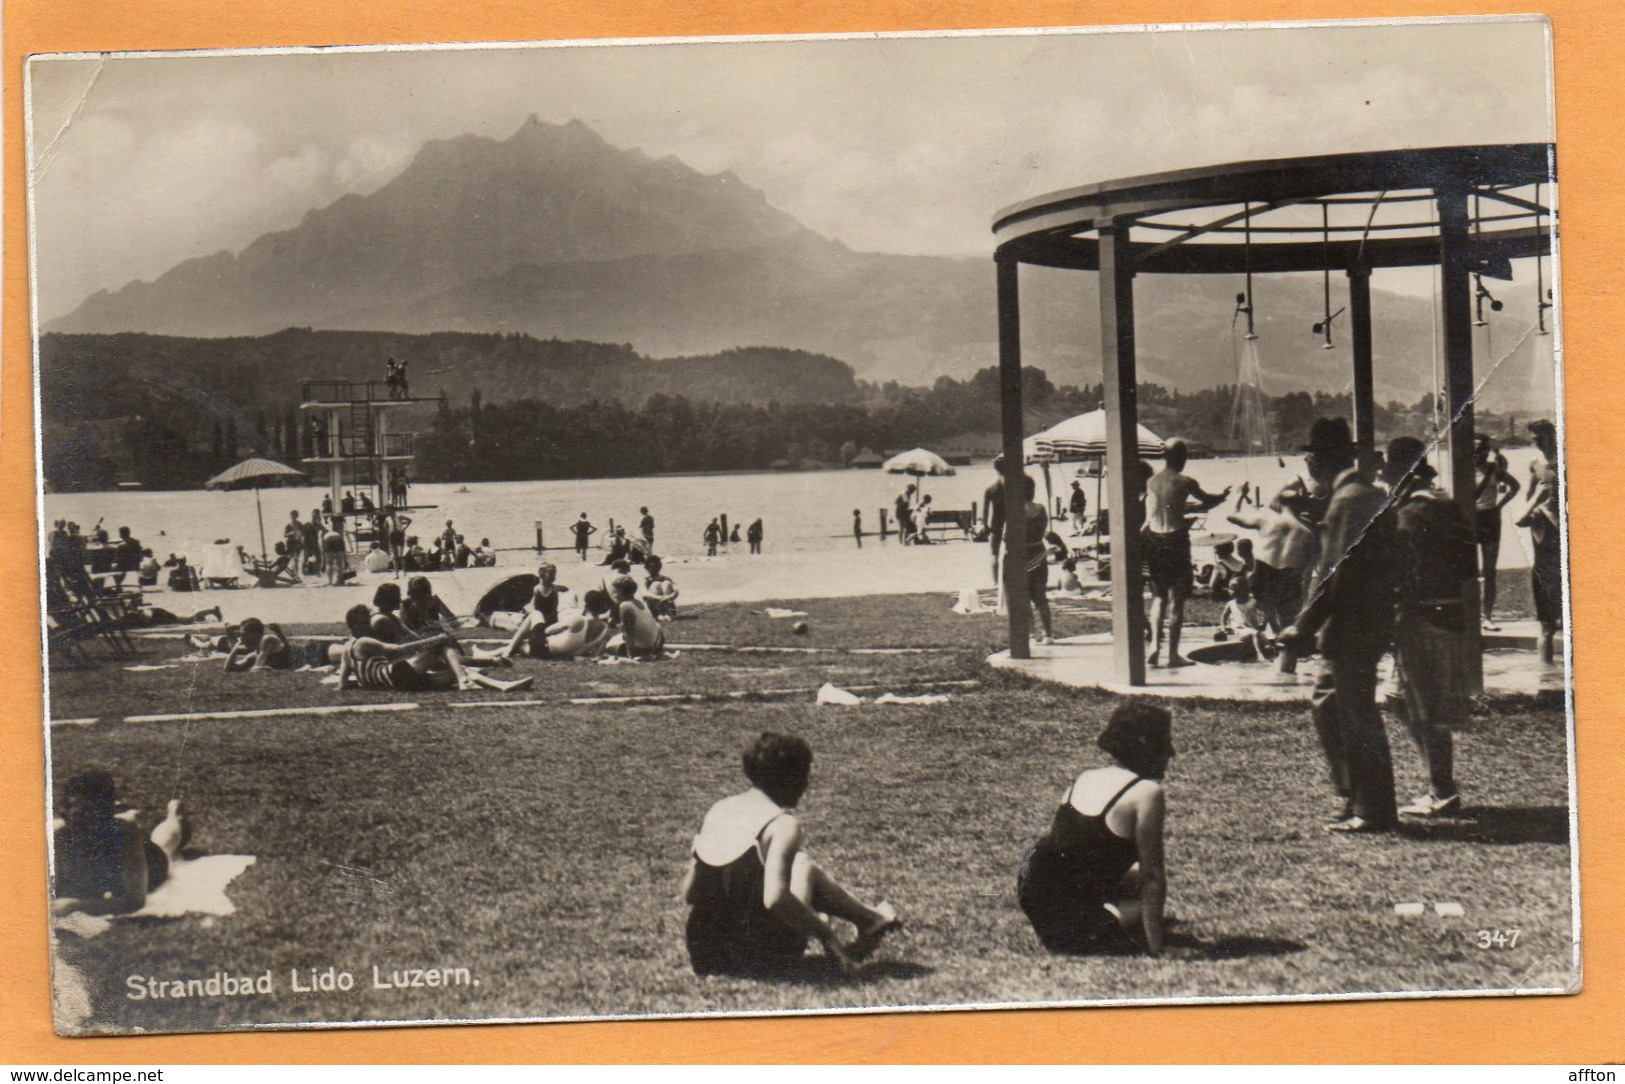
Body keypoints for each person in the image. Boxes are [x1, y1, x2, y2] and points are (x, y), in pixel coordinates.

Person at [682, 732, 899, 977]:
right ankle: (870, 920)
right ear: (788, 778)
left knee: (791, 868)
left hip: (705, 954)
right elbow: (775, 899)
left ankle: (871, 920)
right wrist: (825, 934)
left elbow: (690, 893)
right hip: (759, 958)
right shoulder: (782, 824)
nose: (806, 785)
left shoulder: (718, 810)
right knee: (802, 864)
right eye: (804, 776)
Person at [1278, 418, 1401, 833]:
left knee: (1354, 715)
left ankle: (1372, 808)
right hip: (1356, 623)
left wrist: (1303, 624)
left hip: (1353, 625)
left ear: (1315, 462)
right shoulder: (1359, 494)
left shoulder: (1349, 500)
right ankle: (1355, 797)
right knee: (1329, 704)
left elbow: (1335, 572)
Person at [1017, 702, 1171, 956]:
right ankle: (1088, 922)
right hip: (1069, 922)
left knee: (1131, 877)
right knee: (1142, 905)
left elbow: (1068, 846)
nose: (1168, 757)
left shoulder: (1087, 777)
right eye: (1163, 749)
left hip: (1032, 888)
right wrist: (1157, 948)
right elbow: (1153, 875)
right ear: (1147, 750)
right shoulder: (1147, 792)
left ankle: (1065, 919)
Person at [1381, 437, 1475, 819]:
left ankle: (1442, 790)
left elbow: (1397, 571)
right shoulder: (1448, 507)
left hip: (1421, 618)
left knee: (1420, 706)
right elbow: (1469, 566)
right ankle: (1439, 786)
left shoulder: (1411, 514)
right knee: (1404, 702)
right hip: (1449, 615)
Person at [52, 770, 190, 916]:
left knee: (165, 847)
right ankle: (132, 815)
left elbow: (135, 901)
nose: (79, 821)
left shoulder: (124, 835)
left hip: (151, 861)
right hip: (110, 866)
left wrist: (78, 906)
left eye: (88, 813)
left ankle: (174, 816)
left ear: (104, 814)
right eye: (75, 813)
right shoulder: (62, 835)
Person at [1143, 439, 1231, 667]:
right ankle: (1172, 655)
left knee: (1159, 596)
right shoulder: (1185, 481)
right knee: (1177, 599)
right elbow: (1208, 501)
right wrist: (1223, 496)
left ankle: (1154, 645)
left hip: (1153, 538)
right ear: (1182, 457)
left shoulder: (1151, 481)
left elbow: (1149, 517)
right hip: (1175, 539)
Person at [336, 606, 530, 693]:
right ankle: (465, 681)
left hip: (400, 684)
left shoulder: (347, 649)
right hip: (397, 676)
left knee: (459, 672)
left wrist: (366, 683)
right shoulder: (364, 642)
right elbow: (399, 651)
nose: (369, 626)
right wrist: (433, 640)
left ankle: (501, 686)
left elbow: (342, 684)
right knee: (442, 644)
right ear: (356, 625)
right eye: (365, 623)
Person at [1518, 420, 1563, 663]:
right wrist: (1533, 510)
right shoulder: (1536, 465)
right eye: (1536, 439)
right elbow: (1527, 500)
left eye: (1544, 437)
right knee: (1546, 624)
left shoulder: (1567, 460)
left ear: (1553, 436)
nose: (1540, 443)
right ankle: (1546, 674)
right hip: (1543, 533)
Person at [1472, 434, 1521, 631]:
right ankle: (1470, 614)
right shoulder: (1461, 470)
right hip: (1470, 519)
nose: (1477, 455)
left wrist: (1499, 505)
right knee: (1468, 569)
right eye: (1474, 451)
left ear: (1486, 451)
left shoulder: (1494, 469)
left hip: (1490, 519)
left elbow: (1515, 486)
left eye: (1481, 450)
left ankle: (1487, 616)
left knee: (1490, 570)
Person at [1003, 476, 1055, 644]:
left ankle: (1033, 634)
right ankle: (1048, 634)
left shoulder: (1014, 511)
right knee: (1041, 596)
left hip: (1021, 556)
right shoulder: (1041, 509)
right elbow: (1043, 528)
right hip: (1039, 553)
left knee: (1024, 597)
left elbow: (1006, 537)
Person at [498, 589, 615, 661]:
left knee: (536, 614)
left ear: (586, 604)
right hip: (560, 654)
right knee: (519, 645)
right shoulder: (605, 630)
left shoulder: (578, 620)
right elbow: (597, 656)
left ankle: (508, 649)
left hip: (543, 650)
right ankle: (508, 649)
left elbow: (548, 631)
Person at [611, 574, 665, 658]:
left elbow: (629, 632)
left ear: (622, 591)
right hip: (655, 643)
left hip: (642, 647)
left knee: (609, 647)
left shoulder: (625, 606)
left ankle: (638, 652)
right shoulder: (640, 603)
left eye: (616, 591)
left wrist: (630, 655)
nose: (615, 595)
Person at [223, 617, 292, 671]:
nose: (241, 638)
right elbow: (229, 668)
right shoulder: (255, 653)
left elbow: (258, 667)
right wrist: (235, 649)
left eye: (243, 635)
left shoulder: (267, 640)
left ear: (255, 635)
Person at [984, 456, 1006, 586]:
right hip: (1011, 521)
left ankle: (995, 582)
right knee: (1014, 552)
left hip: (996, 522)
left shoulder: (991, 488)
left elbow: (985, 510)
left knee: (994, 553)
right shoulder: (1013, 486)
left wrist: (985, 525)